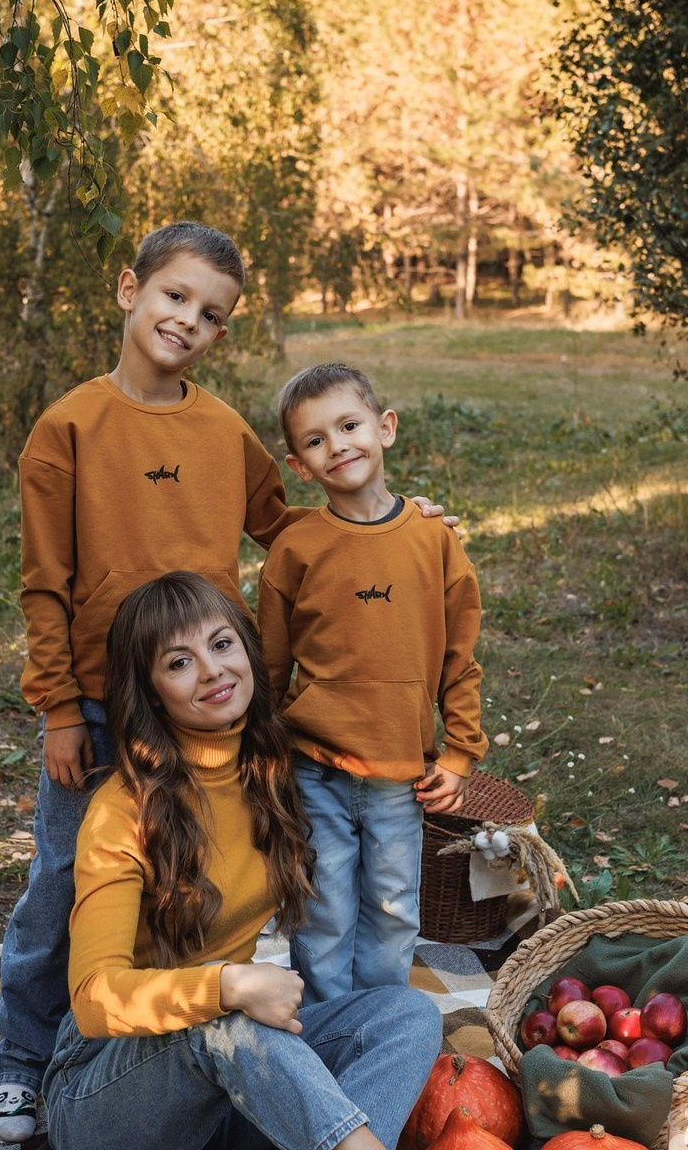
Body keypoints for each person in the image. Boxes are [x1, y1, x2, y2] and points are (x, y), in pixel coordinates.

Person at [0, 224, 451, 1141]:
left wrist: (383, 524)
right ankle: (21, 1061)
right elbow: (44, 581)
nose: (186, 321)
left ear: (222, 334)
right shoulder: (69, 429)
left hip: (201, 694)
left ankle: (276, 1099)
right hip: (97, 698)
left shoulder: (222, 432)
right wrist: (56, 710)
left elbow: (289, 528)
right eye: (173, 298)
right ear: (130, 290)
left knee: (204, 865)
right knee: (63, 886)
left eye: (209, 315)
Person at [42, 571, 442, 1150]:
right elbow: (93, 999)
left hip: (233, 1077)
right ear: (151, 692)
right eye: (179, 663)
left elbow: (366, 635)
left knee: (405, 1016)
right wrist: (226, 985)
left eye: (221, 644)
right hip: (107, 1093)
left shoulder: (269, 770)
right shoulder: (123, 811)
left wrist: (406, 531)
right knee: (227, 1024)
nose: (211, 671)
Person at [257, 362, 488, 1006]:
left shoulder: (433, 541)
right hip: (314, 767)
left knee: (392, 910)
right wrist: (264, 753)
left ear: (384, 428)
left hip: (400, 774)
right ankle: (329, 1032)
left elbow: (460, 658)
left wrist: (461, 752)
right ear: (299, 465)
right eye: (316, 440)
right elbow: (269, 668)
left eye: (350, 425)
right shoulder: (296, 551)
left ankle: (384, 1028)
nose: (338, 446)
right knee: (323, 907)